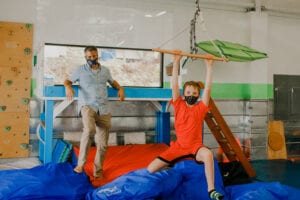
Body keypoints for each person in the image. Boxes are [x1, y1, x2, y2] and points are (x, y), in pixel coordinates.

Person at [147, 50, 224, 200]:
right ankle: (171, 167)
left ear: (198, 95)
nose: (191, 95)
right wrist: (176, 62)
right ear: (184, 94)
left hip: (195, 146)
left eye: (195, 93)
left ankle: (211, 190)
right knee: (151, 169)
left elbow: (207, 88)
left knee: (208, 154)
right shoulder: (179, 104)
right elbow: (174, 85)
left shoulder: (201, 108)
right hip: (179, 146)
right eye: (188, 92)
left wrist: (209, 66)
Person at [64, 46, 125, 179]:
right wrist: (68, 87)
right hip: (87, 106)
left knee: (103, 144)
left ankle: (98, 171)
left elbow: (112, 82)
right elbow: (68, 80)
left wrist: (120, 88)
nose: (92, 58)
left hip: (103, 108)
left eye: (94, 56)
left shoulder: (105, 71)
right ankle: (80, 165)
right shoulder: (80, 70)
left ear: (97, 55)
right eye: (89, 57)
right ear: (85, 57)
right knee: (89, 131)